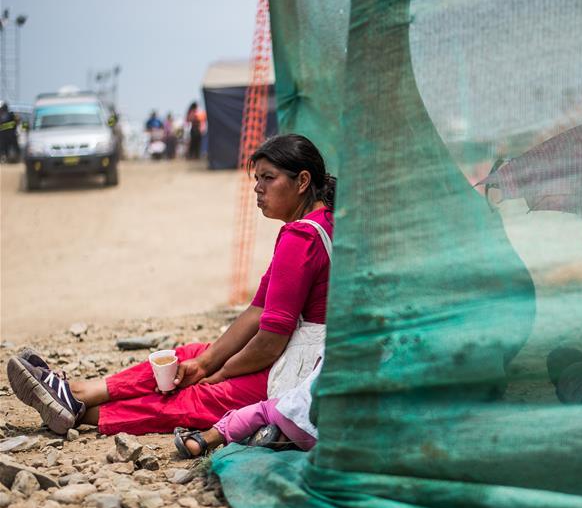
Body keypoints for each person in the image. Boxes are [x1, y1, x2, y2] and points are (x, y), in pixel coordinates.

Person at [7, 134, 336, 436]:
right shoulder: (325, 222)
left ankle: (82, 411)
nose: (258, 189)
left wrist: (220, 373)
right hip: (303, 355)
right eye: (257, 179)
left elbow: (270, 343)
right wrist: (206, 363)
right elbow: (257, 311)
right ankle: (78, 393)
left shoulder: (301, 237)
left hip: (303, 374)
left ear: (302, 181)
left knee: (202, 394)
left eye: (268, 178)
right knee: (190, 357)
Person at [174, 353, 324, 458]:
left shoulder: (333, 341)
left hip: (300, 418)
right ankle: (283, 440)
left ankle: (204, 440)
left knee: (263, 411)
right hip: (328, 444)